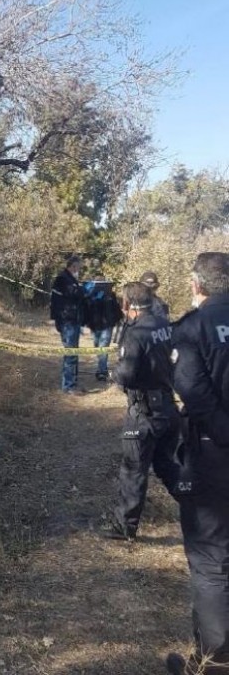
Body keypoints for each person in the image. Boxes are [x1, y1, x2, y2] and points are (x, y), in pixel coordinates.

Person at [166, 252, 229, 675]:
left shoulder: (193, 326)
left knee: (211, 558)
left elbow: (189, 386)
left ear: (197, 285)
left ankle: (214, 663)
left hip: (214, 452)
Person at [101, 281, 180, 541]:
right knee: (168, 466)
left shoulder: (135, 333)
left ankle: (124, 526)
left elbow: (127, 375)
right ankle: (200, 505)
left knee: (133, 470)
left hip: (144, 413)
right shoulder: (165, 325)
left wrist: (114, 372)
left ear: (127, 305)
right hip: (169, 408)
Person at [50, 255, 85, 395]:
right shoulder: (64, 279)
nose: (79, 270)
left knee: (74, 353)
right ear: (73, 266)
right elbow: (75, 294)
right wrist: (87, 289)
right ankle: (68, 386)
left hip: (71, 320)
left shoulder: (69, 279)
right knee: (70, 353)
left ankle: (73, 383)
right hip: (67, 321)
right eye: (79, 268)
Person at [83, 278, 123, 381]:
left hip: (107, 326)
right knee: (97, 347)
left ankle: (102, 371)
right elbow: (86, 309)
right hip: (95, 325)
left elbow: (116, 309)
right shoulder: (90, 295)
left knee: (103, 347)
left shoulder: (111, 295)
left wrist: (117, 320)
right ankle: (101, 368)